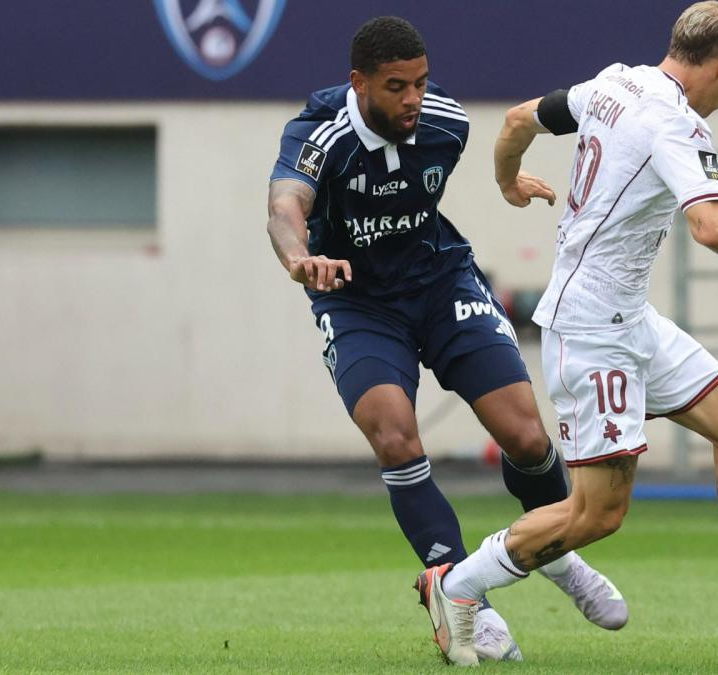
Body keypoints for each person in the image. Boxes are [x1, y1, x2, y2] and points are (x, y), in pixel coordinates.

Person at [414, 2, 718, 666]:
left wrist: (507, 179)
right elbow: (712, 226)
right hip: (592, 334)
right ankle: (454, 587)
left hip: (630, 321)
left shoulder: (613, 83)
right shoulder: (677, 124)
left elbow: (518, 120)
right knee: (595, 515)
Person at [265, 16, 627, 662]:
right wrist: (298, 257)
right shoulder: (320, 133)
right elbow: (284, 206)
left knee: (525, 433)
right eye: (396, 86)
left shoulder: (444, 123)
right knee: (395, 433)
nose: (412, 100)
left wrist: (508, 183)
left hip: (441, 282)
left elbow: (500, 144)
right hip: (357, 302)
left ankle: (558, 555)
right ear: (360, 83)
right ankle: (465, 596)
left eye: (420, 83)